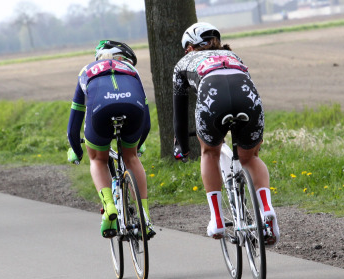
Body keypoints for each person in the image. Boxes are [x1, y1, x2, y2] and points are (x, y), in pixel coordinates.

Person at [172, 22, 279, 246]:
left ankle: (217, 220)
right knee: (250, 157)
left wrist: (181, 145)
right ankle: (267, 210)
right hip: (247, 98)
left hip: (213, 99)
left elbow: (179, 114)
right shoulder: (234, 57)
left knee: (210, 153)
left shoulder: (183, 63)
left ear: (190, 47)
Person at [67, 40, 155, 239]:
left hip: (100, 110)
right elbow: (147, 123)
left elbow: (74, 125)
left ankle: (109, 207)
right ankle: (145, 217)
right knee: (131, 158)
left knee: (98, 159)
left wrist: (77, 150)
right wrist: (137, 146)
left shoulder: (86, 70)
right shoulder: (131, 70)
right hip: (133, 109)